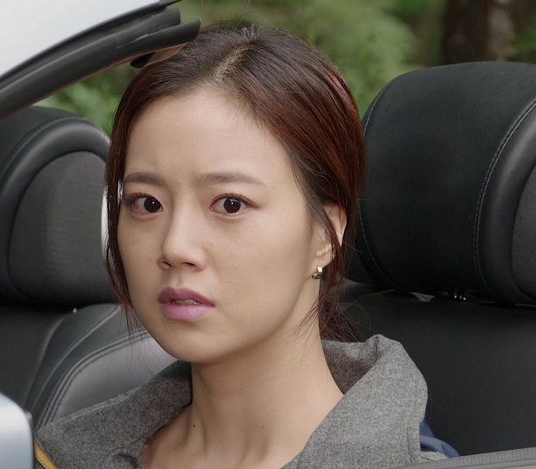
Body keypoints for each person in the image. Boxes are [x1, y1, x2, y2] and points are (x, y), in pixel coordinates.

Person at [34, 26, 449, 468]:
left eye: (230, 204)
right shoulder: (61, 455)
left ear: (325, 233)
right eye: (147, 203)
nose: (175, 246)